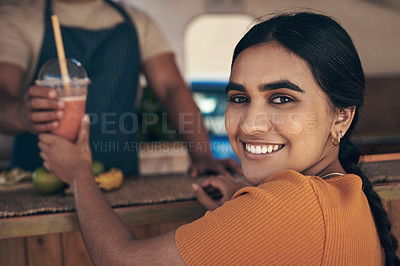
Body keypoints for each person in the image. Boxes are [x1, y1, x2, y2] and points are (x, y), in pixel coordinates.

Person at [38, 12, 399, 265]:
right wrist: (240, 205)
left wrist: (79, 173)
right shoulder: (347, 193)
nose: (251, 125)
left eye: (283, 99)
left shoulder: (288, 204)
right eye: (240, 98)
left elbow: (120, 261)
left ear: (342, 115)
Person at [0, 0, 241, 176]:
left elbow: (171, 89)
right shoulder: (19, 17)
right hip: (37, 182)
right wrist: (22, 114)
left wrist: (202, 155)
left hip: (120, 180)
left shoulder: (138, 22)